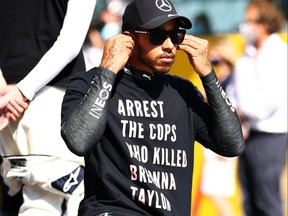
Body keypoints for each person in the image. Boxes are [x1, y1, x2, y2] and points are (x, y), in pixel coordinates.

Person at [60, 0, 245, 215]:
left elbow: (232, 145)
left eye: (175, 35)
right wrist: (108, 70)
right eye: (157, 35)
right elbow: (78, 141)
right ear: (129, 39)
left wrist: (208, 75)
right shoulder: (90, 82)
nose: (168, 45)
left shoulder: (182, 91)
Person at [0, 0, 96, 215]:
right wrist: (23, 91)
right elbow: (70, 43)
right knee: (51, 203)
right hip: (51, 99)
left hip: (7, 99)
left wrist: (6, 88)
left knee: (13, 203)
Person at [229, 0, 287, 215]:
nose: (246, 27)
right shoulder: (247, 53)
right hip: (247, 134)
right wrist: (233, 109)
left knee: (267, 200)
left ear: (264, 23)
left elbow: (271, 98)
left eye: (250, 21)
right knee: (249, 199)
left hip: (269, 136)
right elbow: (236, 89)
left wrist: (243, 112)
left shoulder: (279, 52)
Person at [199, 38, 240, 216]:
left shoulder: (233, 82)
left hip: (223, 144)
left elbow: (235, 113)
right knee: (213, 192)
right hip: (215, 143)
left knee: (218, 194)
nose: (213, 65)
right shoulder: (221, 82)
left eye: (216, 61)